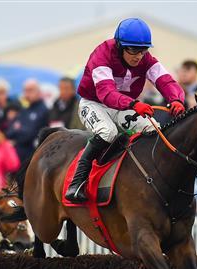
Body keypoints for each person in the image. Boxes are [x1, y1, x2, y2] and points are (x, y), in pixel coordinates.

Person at [66, 17, 185, 202]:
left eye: (143, 50)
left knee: (154, 129)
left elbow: (165, 80)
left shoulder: (146, 59)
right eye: (133, 50)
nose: (138, 56)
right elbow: (106, 93)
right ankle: (77, 181)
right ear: (120, 46)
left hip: (124, 105)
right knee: (108, 132)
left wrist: (176, 99)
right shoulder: (102, 54)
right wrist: (132, 104)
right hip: (94, 103)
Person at [6, 79, 49, 164]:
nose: (27, 93)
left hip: (33, 154)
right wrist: (19, 131)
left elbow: (29, 135)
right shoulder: (24, 110)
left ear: (39, 92)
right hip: (18, 153)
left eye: (30, 90)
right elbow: (10, 132)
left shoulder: (43, 110)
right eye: (25, 90)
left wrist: (16, 139)